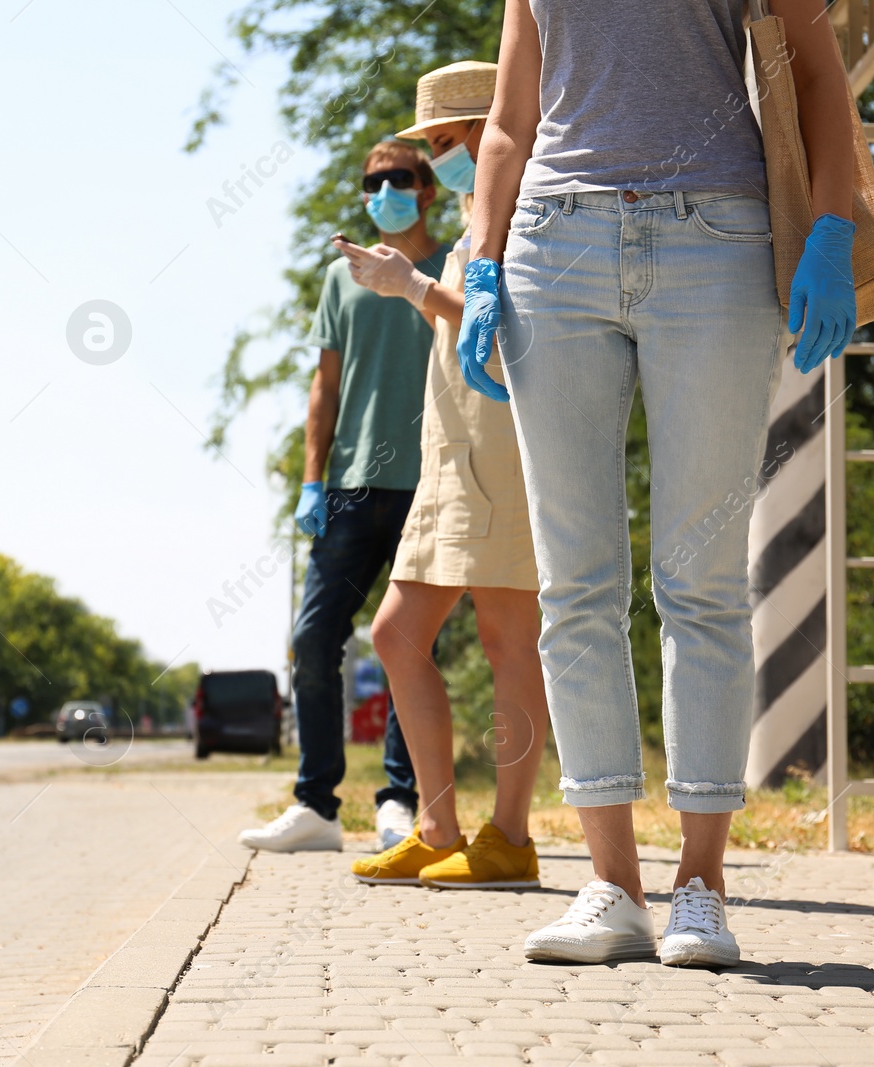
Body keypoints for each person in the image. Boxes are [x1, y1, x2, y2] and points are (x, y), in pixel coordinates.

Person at [459, 0, 858, 966]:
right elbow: (511, 118)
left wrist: (833, 233)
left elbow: (819, 83)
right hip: (552, 251)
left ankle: (703, 889)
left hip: (716, 244)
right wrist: (481, 259)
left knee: (701, 579)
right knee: (576, 583)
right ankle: (612, 886)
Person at [329, 62, 549, 892]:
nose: (439, 158)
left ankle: (509, 837)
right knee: (394, 633)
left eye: (448, 142)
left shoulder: (531, 210)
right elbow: (470, 321)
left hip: (503, 451)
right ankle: (437, 825)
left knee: (506, 640)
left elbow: (522, 333)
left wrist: (412, 285)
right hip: (453, 456)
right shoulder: (470, 216)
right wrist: (411, 281)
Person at [238, 141, 452, 854]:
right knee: (312, 640)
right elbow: (324, 386)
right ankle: (316, 807)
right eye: (373, 181)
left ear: (427, 190)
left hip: (432, 480)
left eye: (400, 178)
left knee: (408, 644)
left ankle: (399, 799)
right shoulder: (342, 277)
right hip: (352, 485)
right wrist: (310, 480)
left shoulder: (449, 269)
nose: (386, 188)